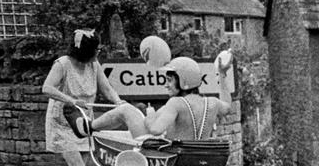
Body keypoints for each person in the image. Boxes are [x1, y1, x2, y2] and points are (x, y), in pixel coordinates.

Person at [41, 29, 130, 166]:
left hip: (84, 122)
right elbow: (47, 88)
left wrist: (118, 102)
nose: (98, 52)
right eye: (95, 49)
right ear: (85, 51)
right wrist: (70, 100)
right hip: (63, 120)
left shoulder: (94, 65)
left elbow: (106, 87)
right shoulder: (62, 65)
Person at [63, 56, 233, 142]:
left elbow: (156, 130)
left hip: (166, 156)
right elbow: (228, 107)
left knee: (126, 110)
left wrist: (149, 113)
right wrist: (223, 74)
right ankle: (96, 130)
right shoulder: (213, 103)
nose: (165, 84)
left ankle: (87, 127)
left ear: (184, 81)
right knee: (126, 124)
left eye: (169, 80)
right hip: (192, 159)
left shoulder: (176, 103)